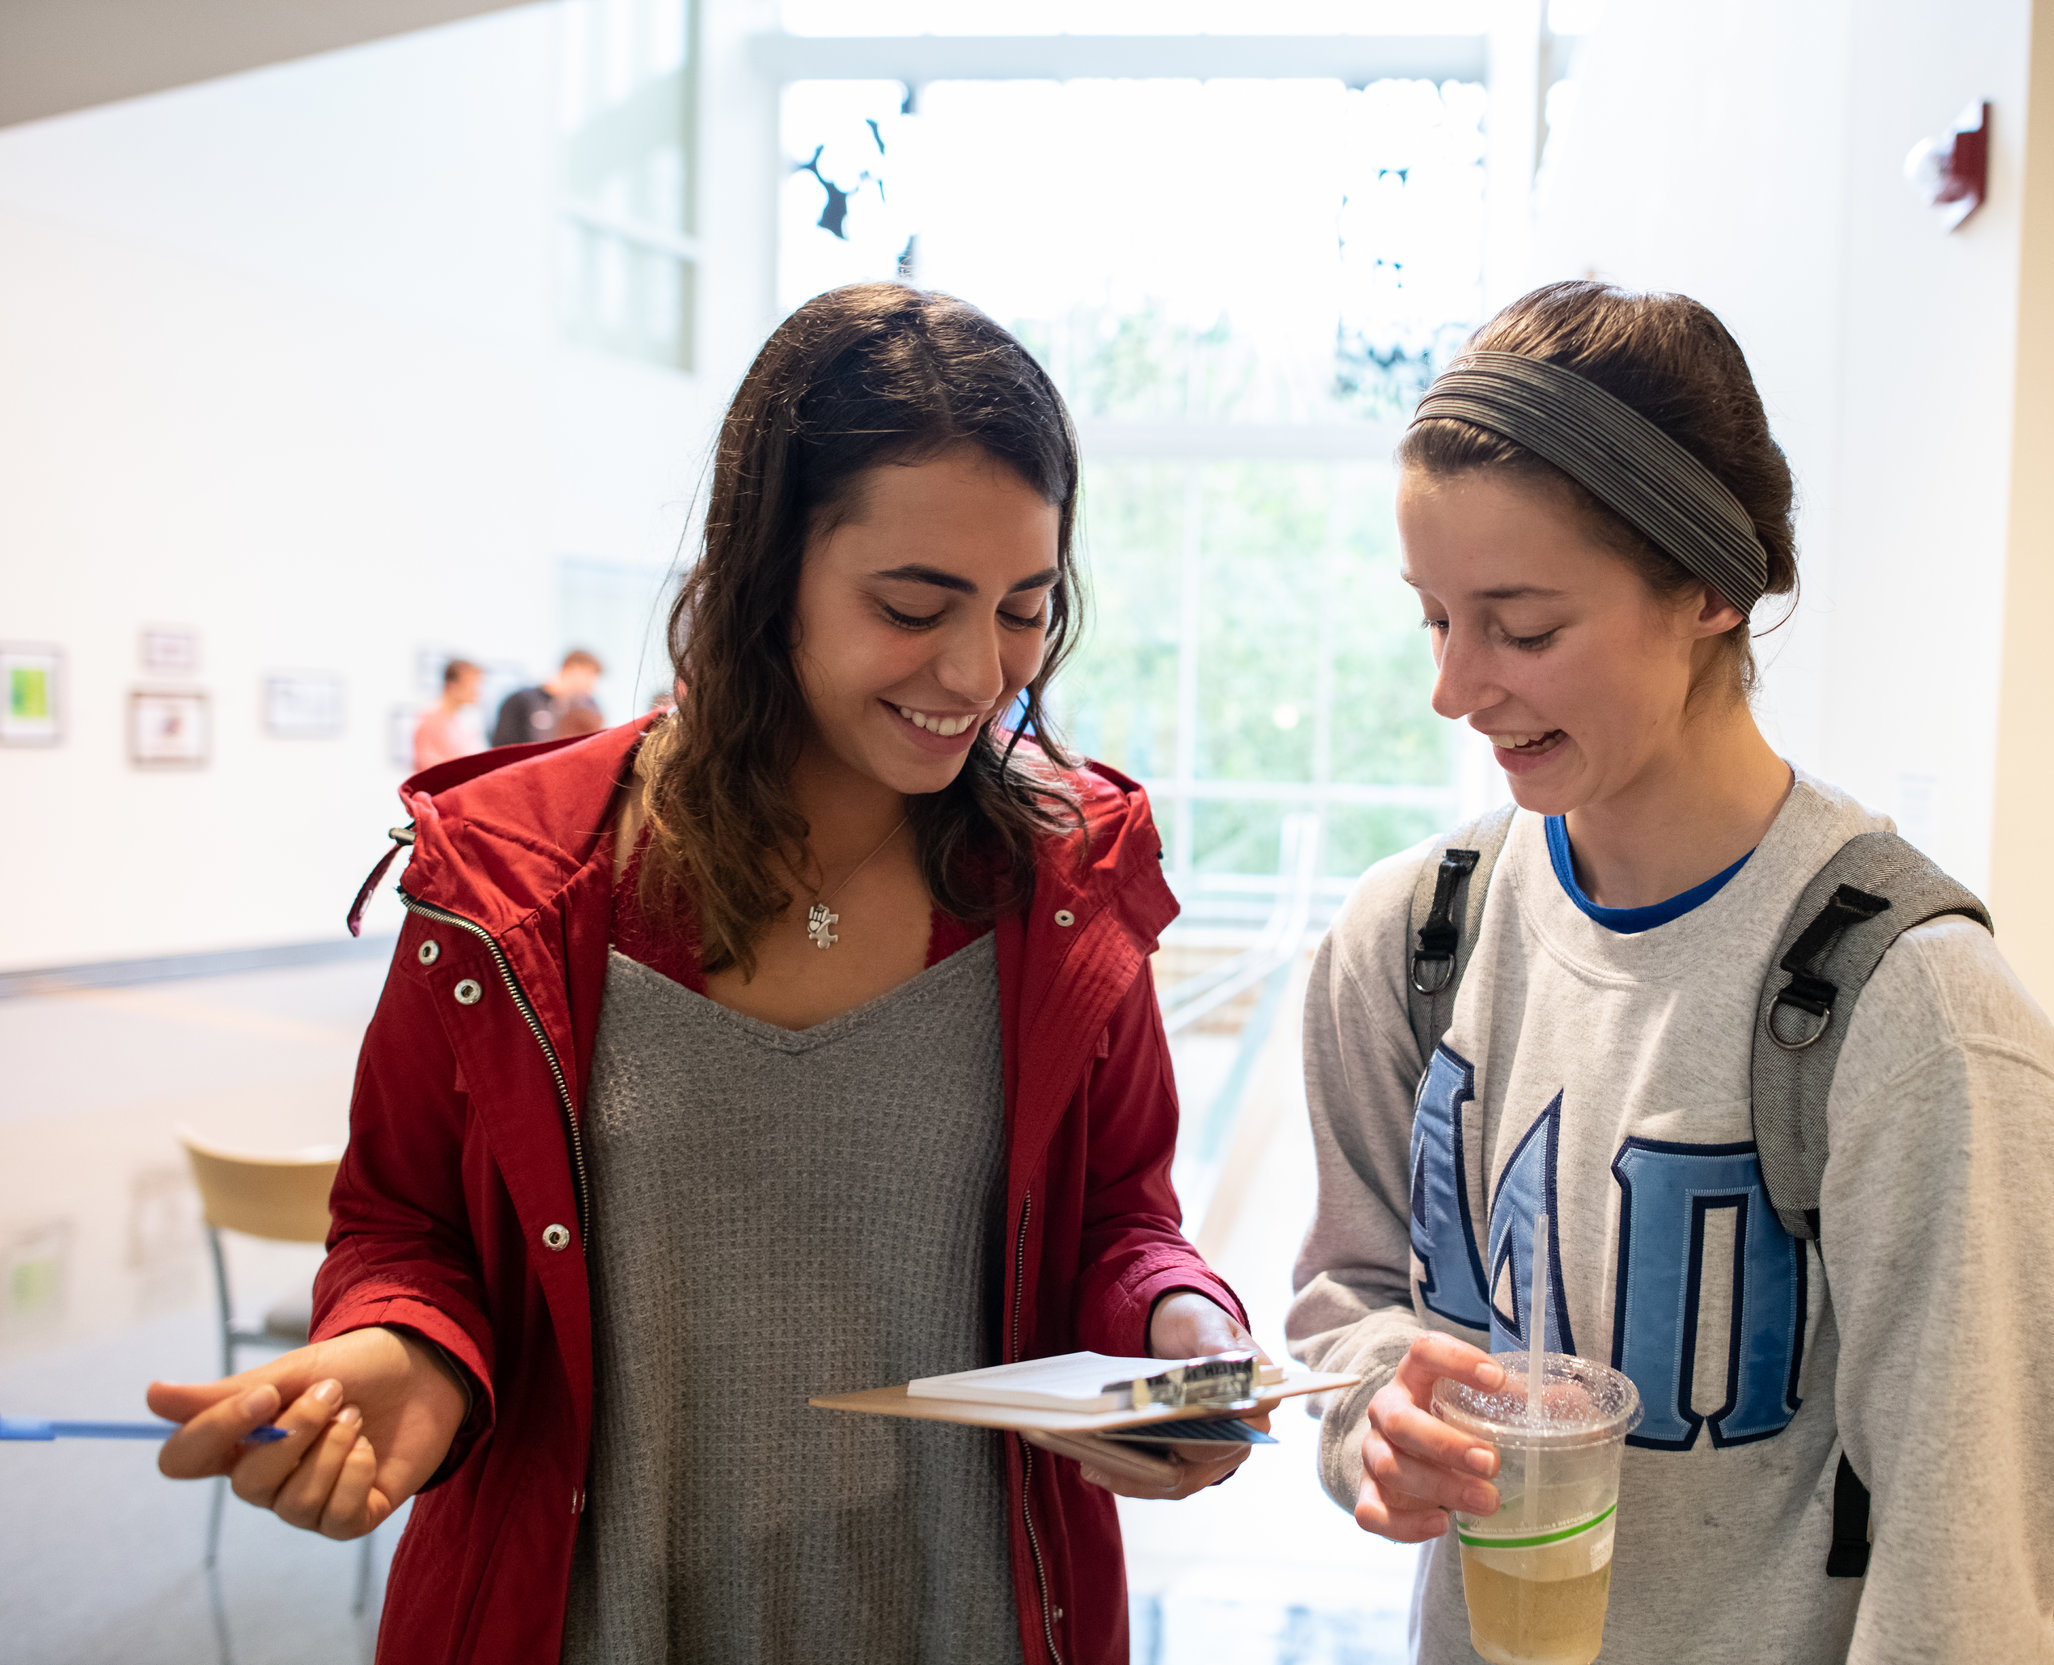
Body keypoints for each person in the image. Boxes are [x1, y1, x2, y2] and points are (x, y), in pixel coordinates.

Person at [149, 283, 1262, 1665]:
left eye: (1027, 609)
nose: (980, 672)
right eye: (914, 605)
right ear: (765, 569)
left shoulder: (1066, 882)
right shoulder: (515, 882)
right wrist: (409, 1356)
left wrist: (1181, 1328)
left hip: (967, 1612)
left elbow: (1119, 1218)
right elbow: (405, 1228)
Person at [1288, 282, 2054, 1662]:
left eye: (1524, 628)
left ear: (1710, 589)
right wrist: (1380, 1418)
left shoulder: (1916, 1015)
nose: (1455, 686)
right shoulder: (1411, 939)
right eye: (1435, 618)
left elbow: (1965, 1580)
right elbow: (1350, 1303)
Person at [490, 648, 603, 747]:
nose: (591, 686)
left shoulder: (587, 706)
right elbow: (503, 747)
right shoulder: (521, 700)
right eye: (589, 677)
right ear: (572, 669)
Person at [409, 658, 484, 773]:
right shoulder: (430, 720)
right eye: (472, 684)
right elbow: (430, 769)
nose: (477, 691)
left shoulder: (460, 722)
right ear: (452, 685)